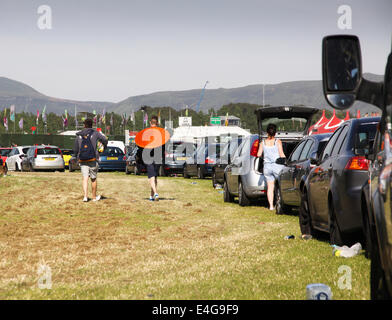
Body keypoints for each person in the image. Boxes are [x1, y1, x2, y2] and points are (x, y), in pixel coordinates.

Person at [74, 118, 108, 202]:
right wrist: (104, 146)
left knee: (85, 178)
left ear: (84, 125)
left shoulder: (79, 135)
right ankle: (93, 197)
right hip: (93, 158)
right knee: (93, 178)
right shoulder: (95, 133)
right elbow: (105, 139)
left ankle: (85, 197)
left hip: (82, 159)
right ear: (92, 125)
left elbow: (76, 148)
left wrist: (75, 157)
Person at [256, 123, 286, 210]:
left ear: (267, 132)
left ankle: (271, 206)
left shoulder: (263, 142)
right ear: (275, 133)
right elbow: (281, 153)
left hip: (267, 167)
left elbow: (258, 154)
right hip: (277, 166)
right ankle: (280, 203)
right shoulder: (277, 141)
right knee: (280, 185)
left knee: (270, 187)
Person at [139, 115, 162, 201]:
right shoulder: (161, 132)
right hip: (158, 156)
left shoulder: (146, 132)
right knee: (154, 176)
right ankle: (152, 195)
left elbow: (142, 145)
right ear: (157, 123)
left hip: (147, 155)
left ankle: (154, 194)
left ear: (150, 122)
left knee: (152, 176)